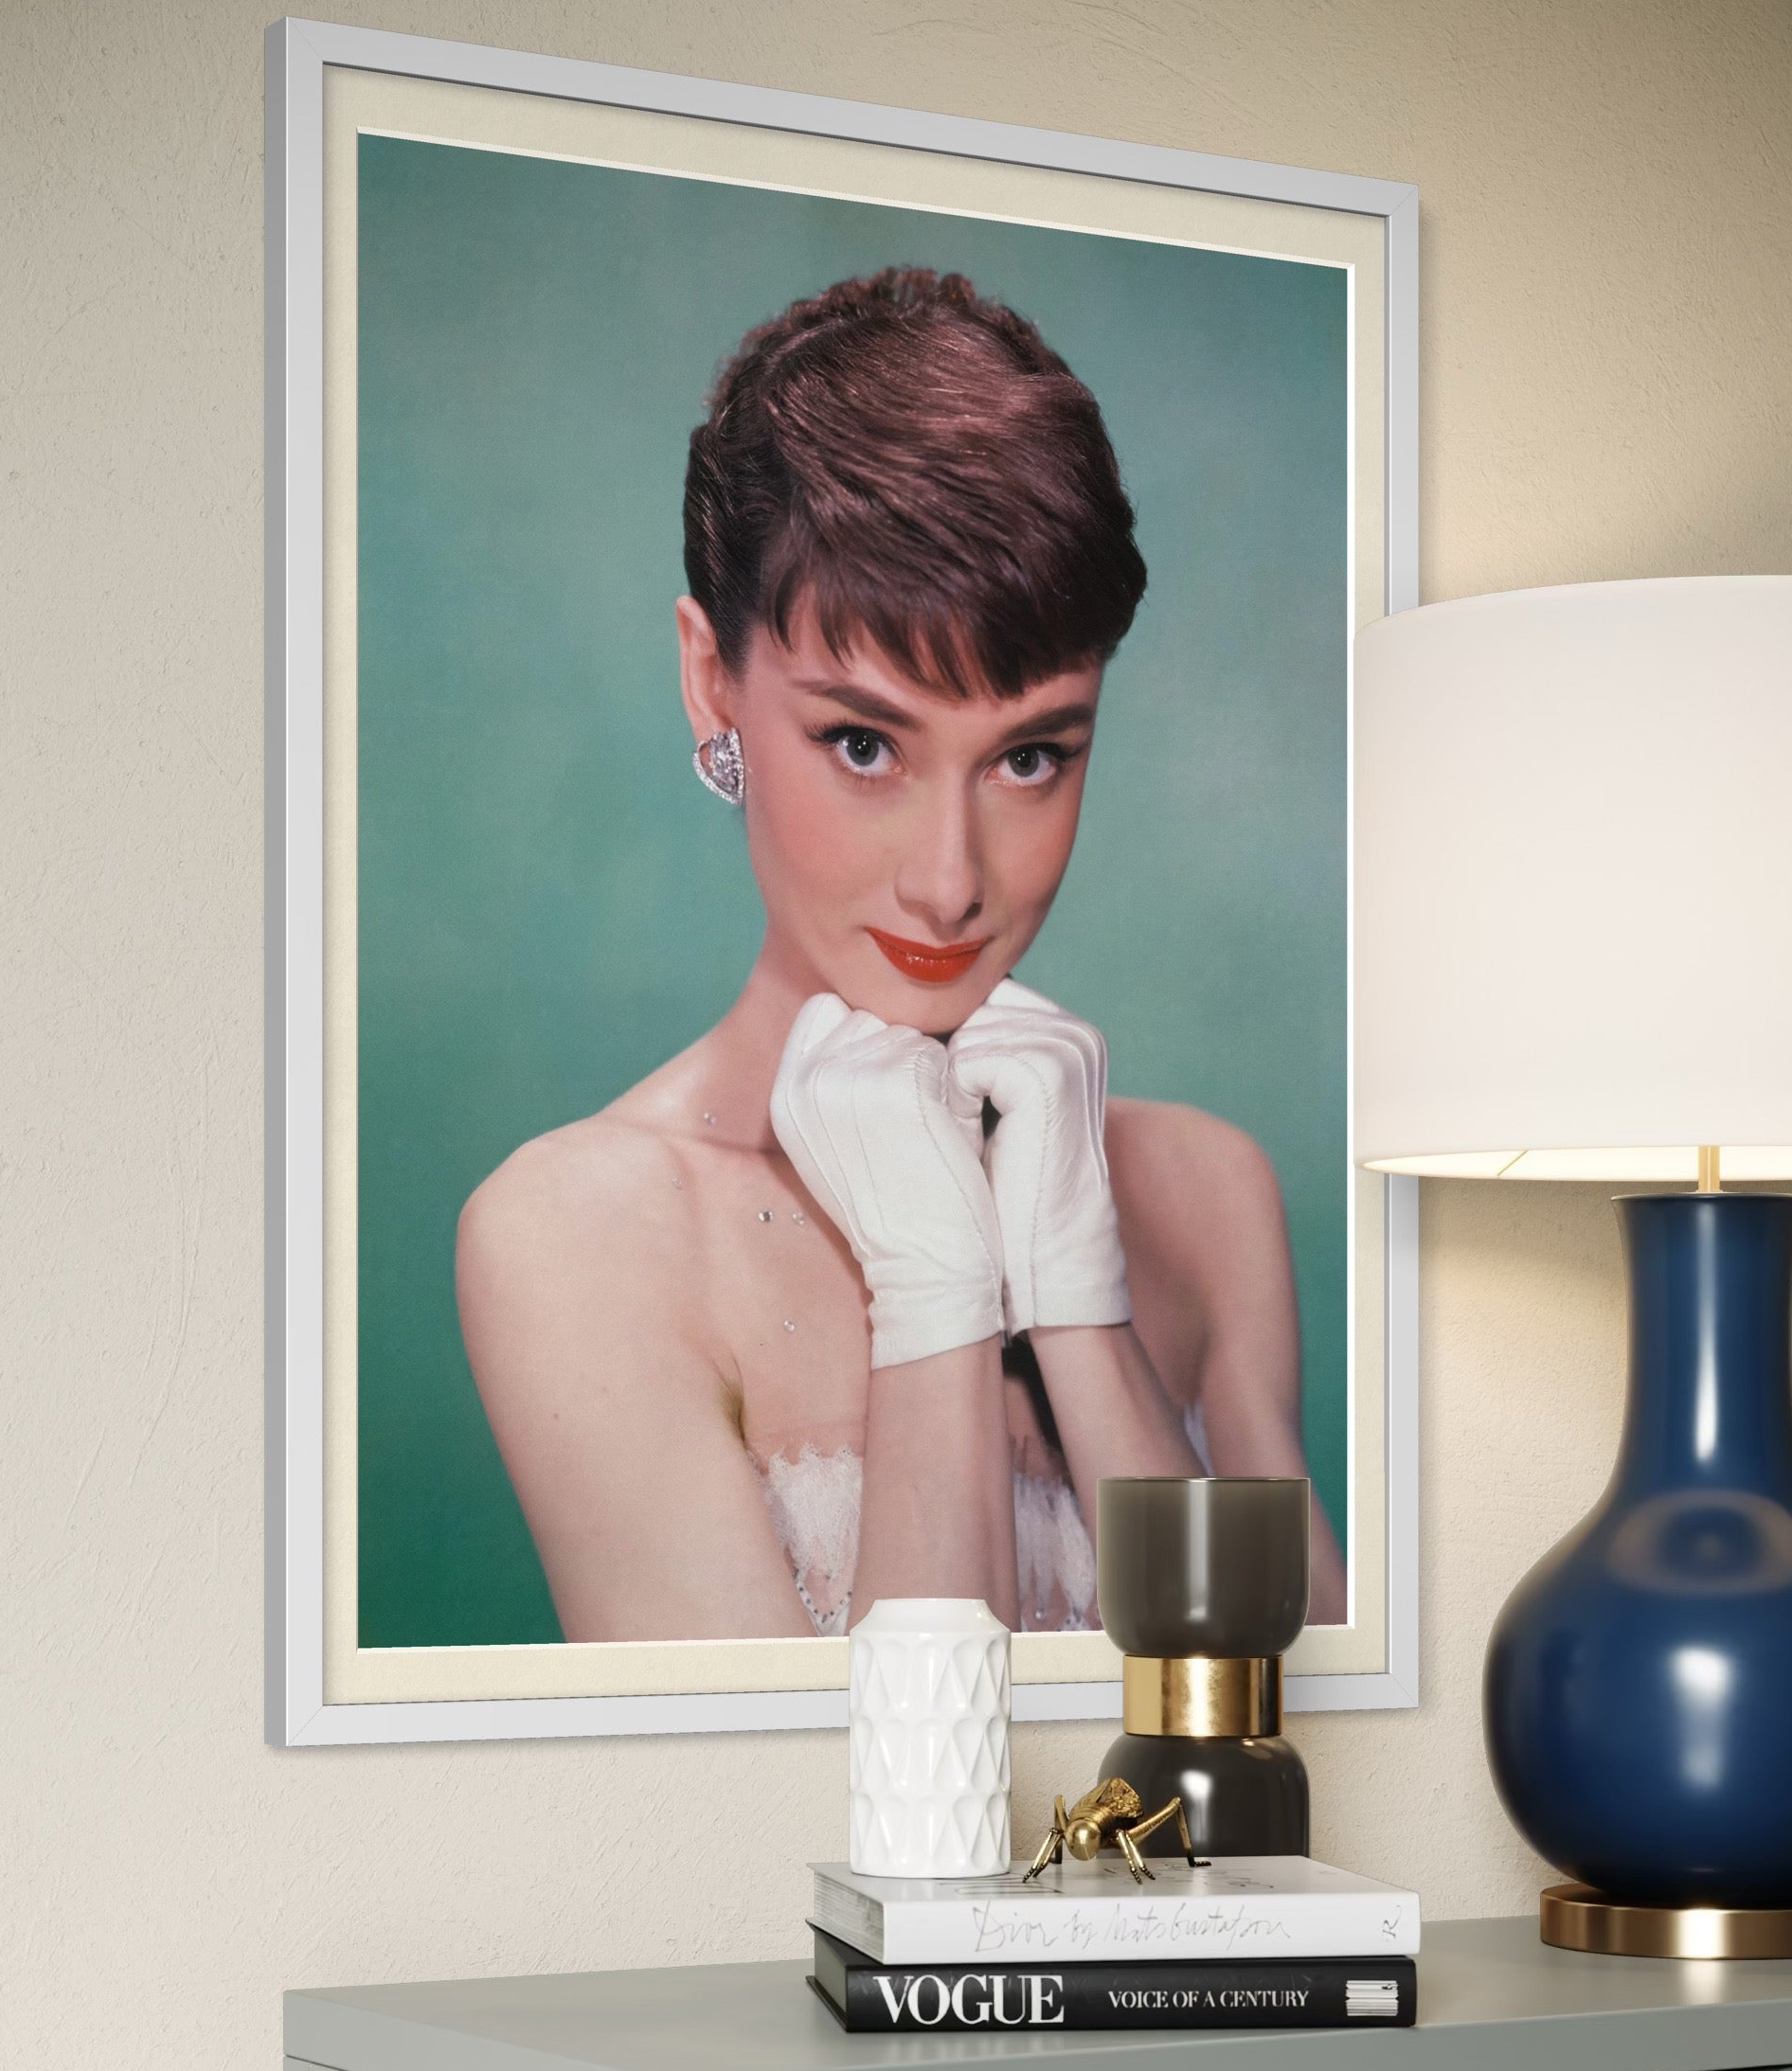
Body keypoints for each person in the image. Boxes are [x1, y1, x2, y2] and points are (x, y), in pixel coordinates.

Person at [457, 267, 1347, 1642]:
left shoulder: (1204, 1192)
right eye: (862, 743)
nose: (949, 883)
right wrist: (934, 1289)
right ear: (711, 680)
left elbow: (1299, 1748)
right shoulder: (578, 1236)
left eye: (1029, 755)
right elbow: (774, 1828)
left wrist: (1072, 1293)